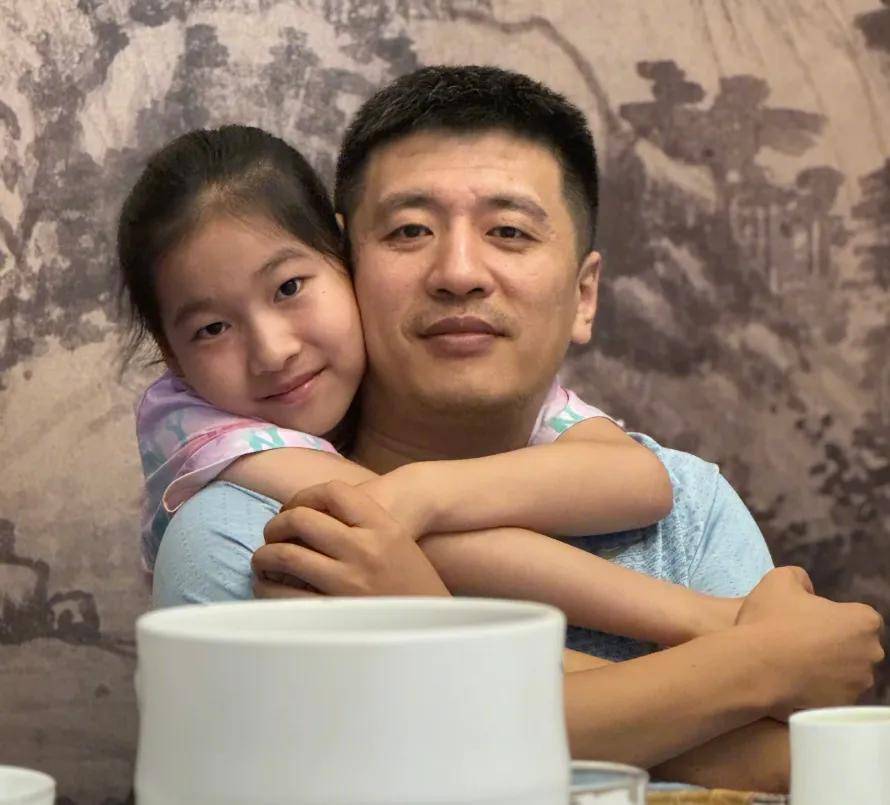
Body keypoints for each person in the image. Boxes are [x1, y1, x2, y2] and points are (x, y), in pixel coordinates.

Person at [143, 69, 884, 788]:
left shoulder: (690, 509)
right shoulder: (247, 537)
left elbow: (793, 771)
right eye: (410, 230)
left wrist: (421, 630)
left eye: (509, 230)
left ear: (583, 296)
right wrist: (750, 666)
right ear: (345, 262)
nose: (459, 272)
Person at [121, 123, 735, 648]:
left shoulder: (476, 371)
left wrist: (427, 489)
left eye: (288, 288)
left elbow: (639, 481)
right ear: (172, 357)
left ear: (343, 258)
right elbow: (395, 535)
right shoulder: (205, 438)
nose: (273, 351)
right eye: (212, 329)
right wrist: (710, 625)